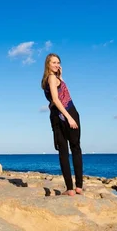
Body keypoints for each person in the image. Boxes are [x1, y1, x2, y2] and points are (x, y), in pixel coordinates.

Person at [41, 53, 83, 196]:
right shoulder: (52, 78)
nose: (57, 65)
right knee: (74, 149)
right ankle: (78, 187)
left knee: (65, 152)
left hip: (58, 116)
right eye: (54, 62)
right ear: (48, 64)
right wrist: (70, 118)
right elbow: (56, 99)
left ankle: (71, 189)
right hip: (67, 114)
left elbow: (58, 96)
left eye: (58, 62)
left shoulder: (51, 79)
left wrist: (61, 76)